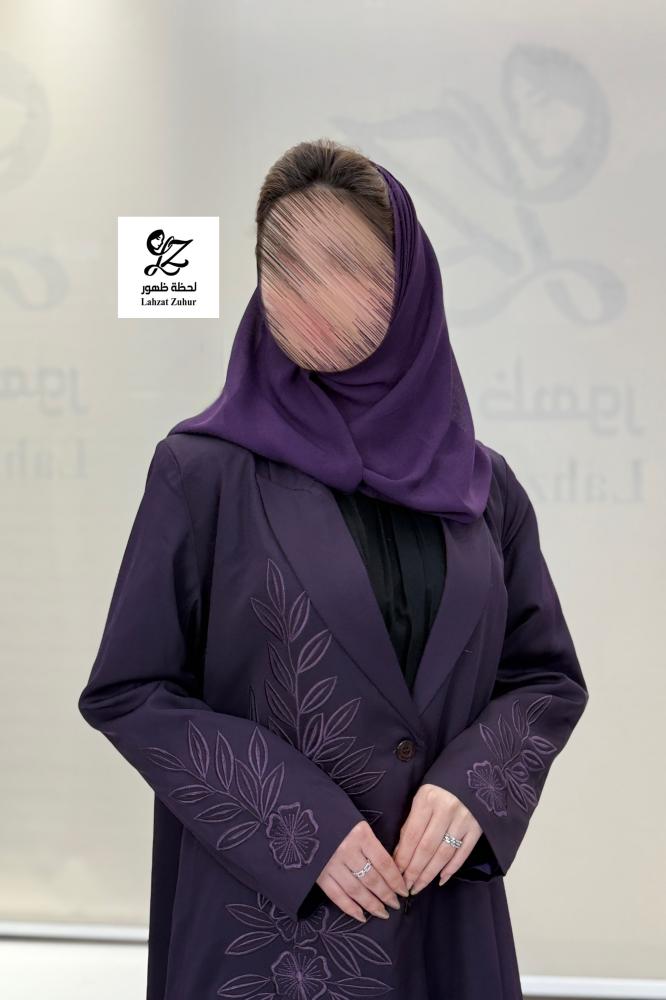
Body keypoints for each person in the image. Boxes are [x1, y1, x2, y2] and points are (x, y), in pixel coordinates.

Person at [78, 138, 589, 999]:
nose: (307, 292)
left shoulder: (484, 489)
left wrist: (478, 786)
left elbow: (543, 677)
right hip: (266, 941)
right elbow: (129, 690)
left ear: (409, 282)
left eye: (345, 264)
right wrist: (295, 823)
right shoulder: (202, 472)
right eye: (283, 265)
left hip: (443, 931)